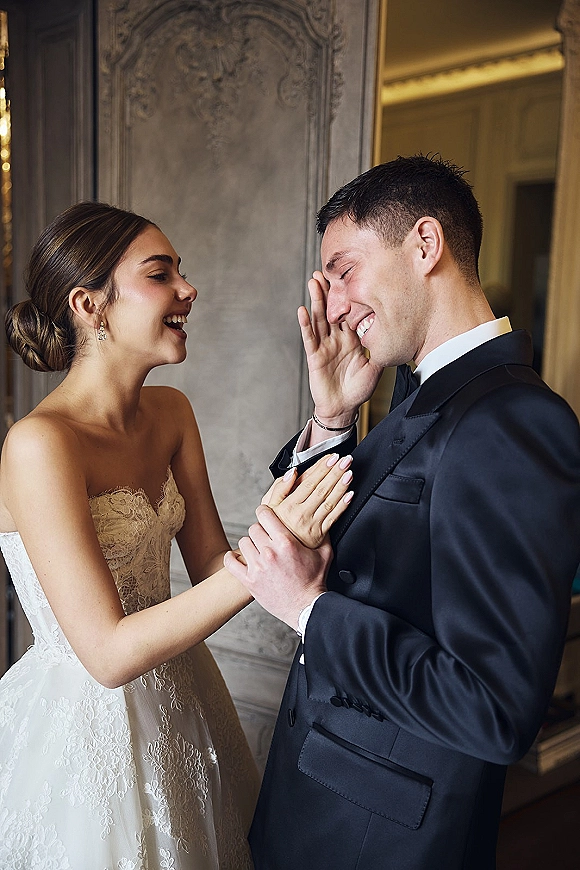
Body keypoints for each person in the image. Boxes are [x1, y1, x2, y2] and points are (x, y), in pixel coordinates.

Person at [225, 155, 580, 869]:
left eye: (344, 270)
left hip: (382, 838)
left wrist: (310, 611)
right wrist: (331, 421)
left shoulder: (513, 420)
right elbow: (353, 542)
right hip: (319, 800)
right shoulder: (421, 399)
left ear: (426, 245)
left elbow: (495, 707)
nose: (331, 307)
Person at [0, 201, 354, 869]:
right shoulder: (39, 444)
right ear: (89, 304)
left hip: (186, 696)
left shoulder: (170, 412)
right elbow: (104, 656)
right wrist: (265, 560)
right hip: (85, 727)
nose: (188, 290)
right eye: (160, 273)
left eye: (180, 273)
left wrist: (331, 415)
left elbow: (214, 562)